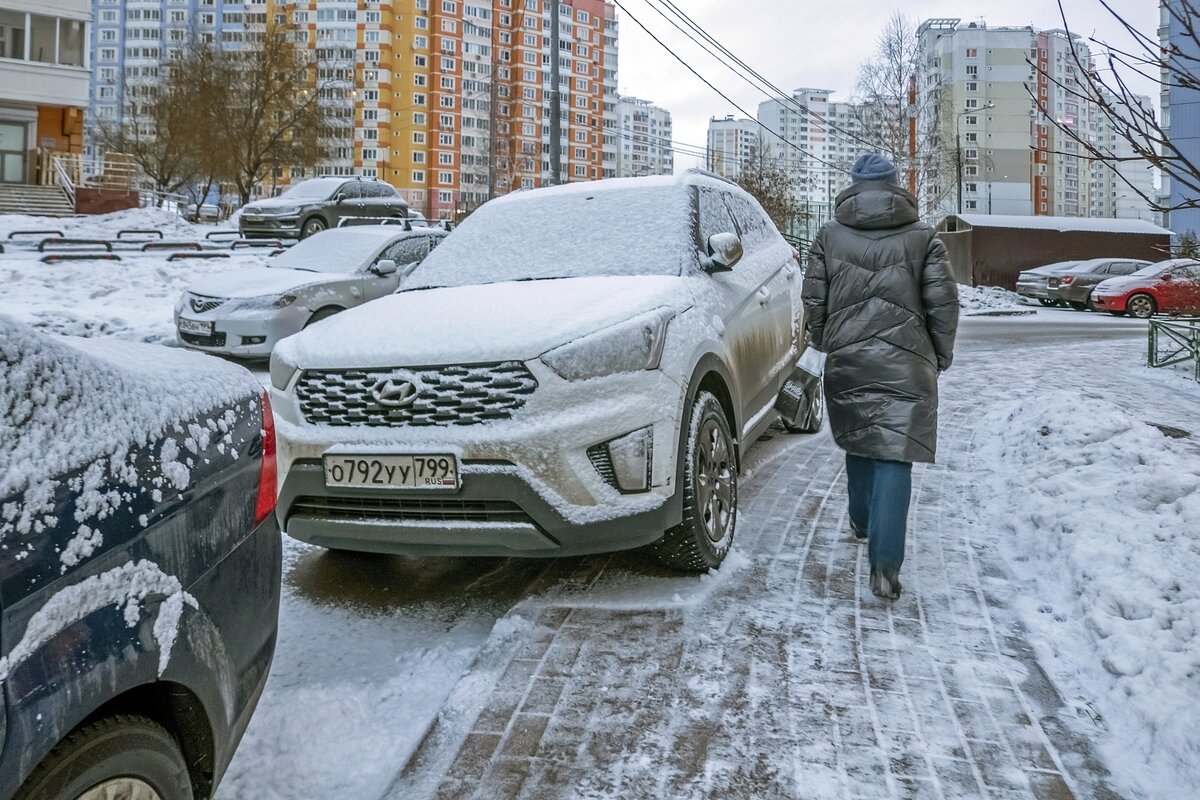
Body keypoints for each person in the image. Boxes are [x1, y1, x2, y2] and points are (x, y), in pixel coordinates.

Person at [801, 153, 959, 600]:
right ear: (895, 187)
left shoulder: (829, 236)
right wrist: (939, 355)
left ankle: (862, 521)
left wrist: (824, 338)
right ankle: (885, 565)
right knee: (894, 453)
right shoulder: (924, 237)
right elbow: (943, 305)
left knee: (859, 437)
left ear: (853, 187)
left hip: (848, 355)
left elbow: (813, 297)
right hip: (909, 360)